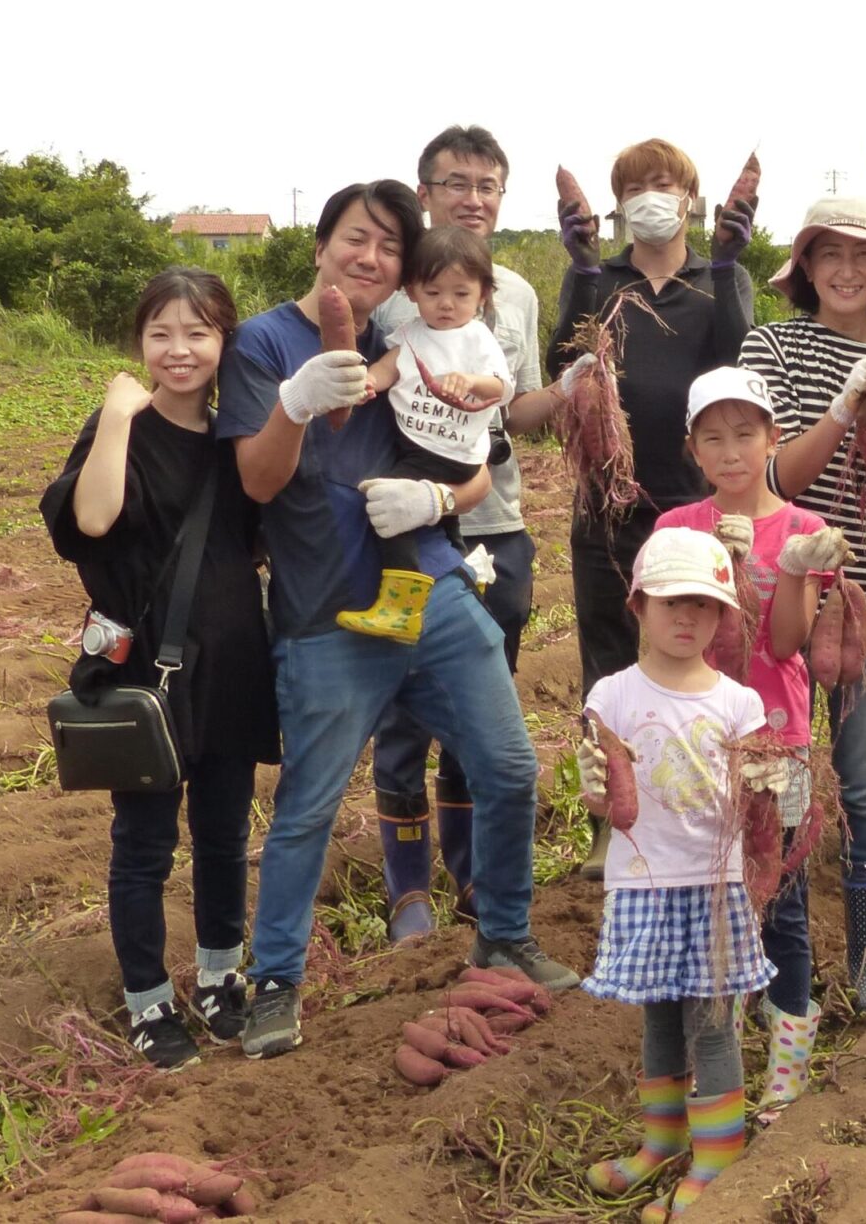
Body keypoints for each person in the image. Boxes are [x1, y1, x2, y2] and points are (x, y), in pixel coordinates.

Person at [220, 181, 577, 1062]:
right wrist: (293, 405)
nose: (370, 257)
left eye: (388, 245)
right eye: (355, 238)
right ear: (321, 245)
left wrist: (434, 497)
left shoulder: (415, 335)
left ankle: (502, 931)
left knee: (509, 763)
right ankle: (275, 979)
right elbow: (257, 482)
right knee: (307, 803)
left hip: (427, 587)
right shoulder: (264, 343)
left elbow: (480, 470)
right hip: (326, 612)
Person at [40, 268, 278, 1069]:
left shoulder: (238, 435)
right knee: (142, 843)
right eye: (161, 334)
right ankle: (147, 1001)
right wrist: (114, 414)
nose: (179, 350)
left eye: (198, 332)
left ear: (224, 341)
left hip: (234, 666)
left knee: (220, 836)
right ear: (139, 342)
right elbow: (93, 517)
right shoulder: (120, 429)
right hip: (146, 676)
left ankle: (219, 980)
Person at [742, 196, 866, 1018]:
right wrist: (844, 408)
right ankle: (768, 957)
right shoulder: (773, 344)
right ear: (807, 267)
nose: (848, 270)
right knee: (772, 782)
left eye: (865, 256)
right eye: (830, 255)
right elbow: (780, 478)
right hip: (781, 585)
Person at [366, 125, 557, 945]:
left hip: (497, 519)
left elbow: (519, 408)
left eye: (488, 185)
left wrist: (584, 388)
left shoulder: (514, 293)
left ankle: (469, 868)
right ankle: (407, 889)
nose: (472, 198)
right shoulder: (387, 298)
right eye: (456, 183)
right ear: (425, 192)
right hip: (408, 531)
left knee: (483, 706)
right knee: (405, 701)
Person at [550, 139, 758, 881]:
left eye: (664, 184)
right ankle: (609, 825)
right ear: (614, 206)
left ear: (691, 201)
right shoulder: (597, 281)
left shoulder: (715, 282)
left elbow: (742, 367)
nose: (650, 197)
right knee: (608, 671)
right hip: (606, 510)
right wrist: (578, 271)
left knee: (705, 661)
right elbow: (559, 372)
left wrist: (731, 267)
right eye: (634, 186)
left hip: (694, 505)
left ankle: (703, 817)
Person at [653, 366, 851, 1113]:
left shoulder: (803, 529)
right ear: (694, 449)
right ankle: (724, 1048)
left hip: (776, 742)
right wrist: (717, 569)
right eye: (714, 437)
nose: (731, 451)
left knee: (783, 905)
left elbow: (788, 646)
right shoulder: (676, 528)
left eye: (745, 434)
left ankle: (789, 1059)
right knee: (712, 900)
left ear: (773, 439)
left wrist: (796, 572)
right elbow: (665, 636)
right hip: (694, 744)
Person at [576, 526, 782, 1221]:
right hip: (645, 883)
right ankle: (662, 1139)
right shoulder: (613, 696)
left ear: (723, 615)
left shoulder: (738, 703)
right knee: (660, 1015)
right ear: (639, 608)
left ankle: (718, 1153)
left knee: (714, 1022)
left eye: (703, 604)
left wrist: (772, 787)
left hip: (717, 884)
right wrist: (595, 790)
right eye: (671, 603)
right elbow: (602, 792)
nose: (688, 617)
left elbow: (759, 802)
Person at [337, 225, 514, 642]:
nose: (447, 305)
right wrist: (367, 383)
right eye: (433, 293)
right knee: (442, 522)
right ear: (412, 291)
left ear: (483, 294)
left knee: (388, 505)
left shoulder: (476, 338)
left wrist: (470, 382)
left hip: (449, 450)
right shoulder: (413, 334)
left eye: (461, 294)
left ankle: (400, 607)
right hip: (423, 443)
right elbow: (388, 368)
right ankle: (468, 570)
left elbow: (500, 387)